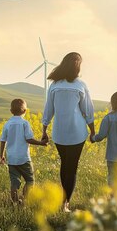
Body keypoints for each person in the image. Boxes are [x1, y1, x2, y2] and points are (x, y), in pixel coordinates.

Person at [42, 52, 95, 212]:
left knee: (65, 165)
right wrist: (92, 131)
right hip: (77, 132)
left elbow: (48, 110)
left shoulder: (55, 86)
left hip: (59, 133)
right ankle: (65, 203)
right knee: (71, 167)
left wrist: (44, 130)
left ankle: (63, 201)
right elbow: (88, 111)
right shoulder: (80, 85)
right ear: (77, 66)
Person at [0, 99, 48, 204]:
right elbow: (29, 139)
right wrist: (41, 143)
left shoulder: (7, 124)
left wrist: (1, 155)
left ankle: (15, 202)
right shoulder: (25, 123)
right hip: (24, 158)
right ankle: (25, 200)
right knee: (30, 180)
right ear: (25, 111)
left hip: (11, 159)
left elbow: (3, 141)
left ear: (11, 111)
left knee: (14, 182)